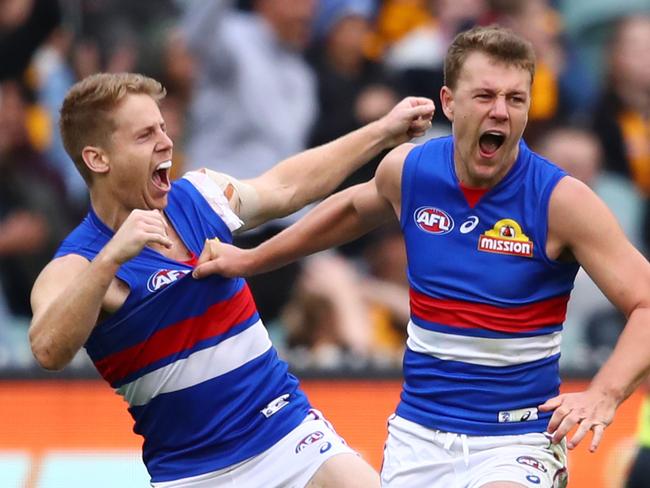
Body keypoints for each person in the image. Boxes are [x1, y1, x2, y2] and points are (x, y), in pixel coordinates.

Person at [193, 25, 650, 488]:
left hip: (516, 441)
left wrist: (605, 393)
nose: (501, 112)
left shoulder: (560, 201)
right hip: (419, 437)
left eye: (516, 99)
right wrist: (250, 260)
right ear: (449, 103)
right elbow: (351, 208)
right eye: (485, 96)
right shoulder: (411, 170)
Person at [27, 72, 434, 487]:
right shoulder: (79, 263)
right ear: (99, 159)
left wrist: (382, 132)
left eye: (164, 127)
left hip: (287, 433)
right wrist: (111, 257)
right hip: (196, 472)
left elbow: (288, 185)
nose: (166, 142)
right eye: (145, 135)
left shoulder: (199, 199)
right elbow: (48, 349)